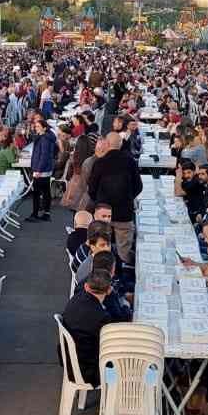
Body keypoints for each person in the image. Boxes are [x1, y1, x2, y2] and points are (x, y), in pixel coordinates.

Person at [60, 269, 129, 386]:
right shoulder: (101, 317)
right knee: (131, 360)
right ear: (108, 290)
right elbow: (111, 344)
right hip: (88, 370)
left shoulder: (76, 298)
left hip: (70, 361)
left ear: (86, 287)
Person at [86, 132, 141, 263]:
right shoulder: (130, 161)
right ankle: (124, 272)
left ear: (107, 143)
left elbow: (91, 188)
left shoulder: (100, 163)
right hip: (124, 213)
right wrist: (127, 197)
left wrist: (99, 202)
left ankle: (103, 271)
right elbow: (138, 186)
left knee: (101, 245)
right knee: (124, 249)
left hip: (103, 212)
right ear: (120, 144)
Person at [26, 113, 58, 221]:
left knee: (36, 193)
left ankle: (35, 214)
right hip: (46, 169)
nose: (36, 129)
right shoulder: (48, 137)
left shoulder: (44, 138)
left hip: (41, 170)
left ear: (44, 128)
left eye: (38, 127)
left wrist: (38, 170)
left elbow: (43, 155)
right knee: (46, 191)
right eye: (36, 127)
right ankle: (46, 213)